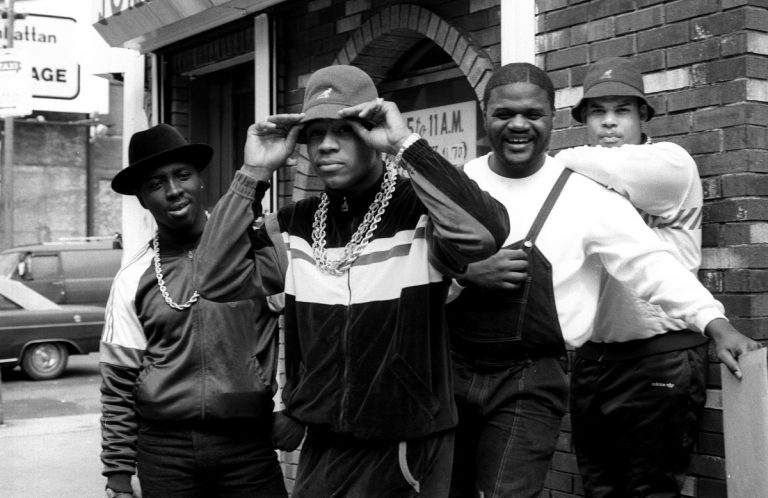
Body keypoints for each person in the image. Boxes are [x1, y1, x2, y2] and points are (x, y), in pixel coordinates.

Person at [444, 62, 762, 498]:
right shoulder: (458, 183)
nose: (518, 125)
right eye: (504, 114)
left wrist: (715, 322)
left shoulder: (591, 188)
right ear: (485, 115)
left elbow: (650, 263)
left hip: (557, 372)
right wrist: (465, 273)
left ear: (552, 118)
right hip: (466, 366)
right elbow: (419, 271)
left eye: (533, 115)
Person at [194, 64, 510, 497]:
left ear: (370, 131)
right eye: (314, 133)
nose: (326, 144)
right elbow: (212, 277)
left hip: (407, 444)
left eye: (344, 129)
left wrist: (405, 145)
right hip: (324, 442)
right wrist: (253, 173)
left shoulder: (418, 211)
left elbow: (486, 233)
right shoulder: (294, 225)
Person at [99, 124, 287, 498]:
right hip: (164, 453)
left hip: (247, 444)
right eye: (156, 184)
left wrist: (293, 407)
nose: (173, 190)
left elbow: (307, 329)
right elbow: (118, 382)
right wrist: (118, 472)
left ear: (199, 179)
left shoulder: (254, 251)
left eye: (182, 175)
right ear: (142, 199)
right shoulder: (132, 278)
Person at [554, 56, 712, 497]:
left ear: (643, 116)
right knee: (599, 489)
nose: (609, 122)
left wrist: (556, 159)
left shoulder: (670, 163)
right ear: (584, 120)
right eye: (597, 112)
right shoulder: (579, 179)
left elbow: (583, 164)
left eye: (621, 110)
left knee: (651, 491)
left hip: (659, 353)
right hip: (594, 359)